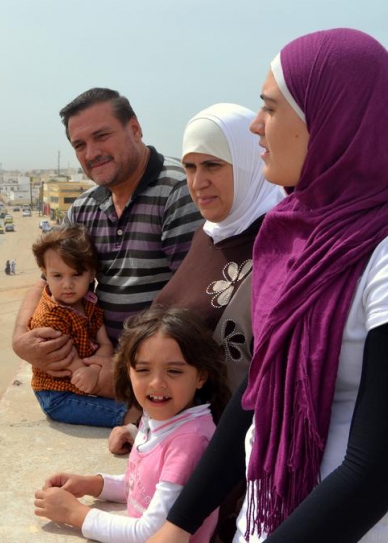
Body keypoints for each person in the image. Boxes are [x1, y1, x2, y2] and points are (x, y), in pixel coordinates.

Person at [149, 28, 388, 543]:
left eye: (272, 109)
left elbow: (378, 470)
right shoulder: (300, 232)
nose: (257, 126)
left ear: (332, 117)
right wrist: (176, 525)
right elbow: (257, 395)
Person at [109, 103, 284, 457]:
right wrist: (136, 421)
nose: (197, 182)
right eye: (189, 167)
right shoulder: (208, 235)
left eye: (212, 165)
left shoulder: (276, 246)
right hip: (176, 446)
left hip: (231, 461)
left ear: (250, 163)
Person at [12, 87, 202, 403]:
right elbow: (48, 279)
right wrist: (20, 338)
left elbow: (190, 302)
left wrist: (117, 374)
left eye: (102, 136)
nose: (91, 153)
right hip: (102, 361)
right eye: (80, 145)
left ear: (135, 129)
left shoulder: (178, 190)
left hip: (157, 376)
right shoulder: (83, 208)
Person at [34, 307, 229, 542]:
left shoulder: (190, 441)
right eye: (144, 370)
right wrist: (92, 484)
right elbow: (141, 487)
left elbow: (152, 533)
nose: (157, 383)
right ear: (128, 372)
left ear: (201, 376)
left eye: (174, 371)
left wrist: (75, 514)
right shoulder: (158, 417)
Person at [28, 225, 124, 426]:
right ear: (45, 274)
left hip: (88, 381)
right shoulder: (50, 315)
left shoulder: (90, 304)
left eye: (76, 275)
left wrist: (97, 368)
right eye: (58, 276)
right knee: (125, 412)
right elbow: (64, 358)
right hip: (59, 396)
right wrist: (88, 373)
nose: (67, 284)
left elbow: (104, 342)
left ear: (92, 274)